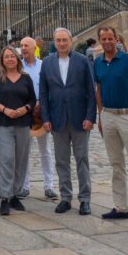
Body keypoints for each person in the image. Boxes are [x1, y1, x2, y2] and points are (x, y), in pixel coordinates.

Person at [94, 25, 128, 227]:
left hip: (127, 115)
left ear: (116, 39)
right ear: (100, 41)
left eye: (110, 38)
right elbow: (98, 90)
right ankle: (121, 207)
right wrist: (100, 116)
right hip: (108, 115)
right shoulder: (98, 62)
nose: (107, 42)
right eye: (104, 39)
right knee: (116, 165)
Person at [39, 27, 96, 215]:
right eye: (58, 40)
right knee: (61, 160)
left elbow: (91, 91)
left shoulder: (82, 61)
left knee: (82, 159)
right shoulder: (47, 63)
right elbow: (43, 93)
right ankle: (65, 197)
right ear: (54, 42)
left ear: (70, 41)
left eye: (64, 40)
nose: (61, 43)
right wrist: (45, 118)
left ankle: (85, 199)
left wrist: (90, 116)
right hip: (57, 119)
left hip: (80, 119)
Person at [0, 46, 37, 215]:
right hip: (4, 123)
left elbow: (32, 99)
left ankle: (15, 193)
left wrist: (26, 108)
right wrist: (5, 109)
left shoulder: (25, 78)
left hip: (23, 123)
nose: (9, 59)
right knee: (7, 158)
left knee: (21, 160)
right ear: (2, 60)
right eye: (6, 57)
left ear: (17, 59)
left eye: (12, 57)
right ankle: (5, 197)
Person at [19, 36, 57, 200]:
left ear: (34, 47)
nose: (23, 48)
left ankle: (49, 185)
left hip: (42, 113)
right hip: (24, 112)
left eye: (26, 45)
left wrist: (42, 103)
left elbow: (50, 87)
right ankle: (24, 186)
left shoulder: (44, 66)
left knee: (45, 150)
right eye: (21, 46)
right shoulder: (18, 67)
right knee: (24, 151)